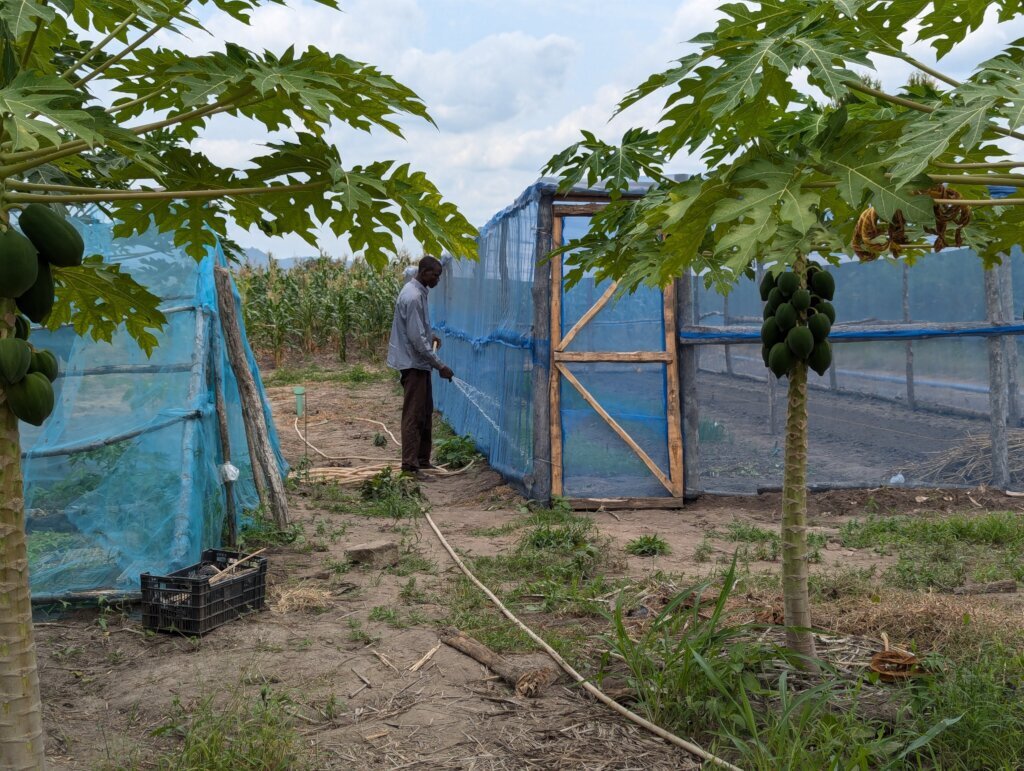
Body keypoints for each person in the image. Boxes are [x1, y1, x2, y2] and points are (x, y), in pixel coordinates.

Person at [386, 255, 454, 475]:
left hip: (418, 363)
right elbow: (416, 340)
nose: (437, 280)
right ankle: (410, 466)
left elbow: (415, 329)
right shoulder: (414, 296)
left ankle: (422, 461)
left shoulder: (418, 292)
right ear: (424, 272)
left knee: (424, 412)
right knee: (414, 415)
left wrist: (430, 334)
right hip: (414, 364)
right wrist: (439, 365)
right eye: (435, 276)